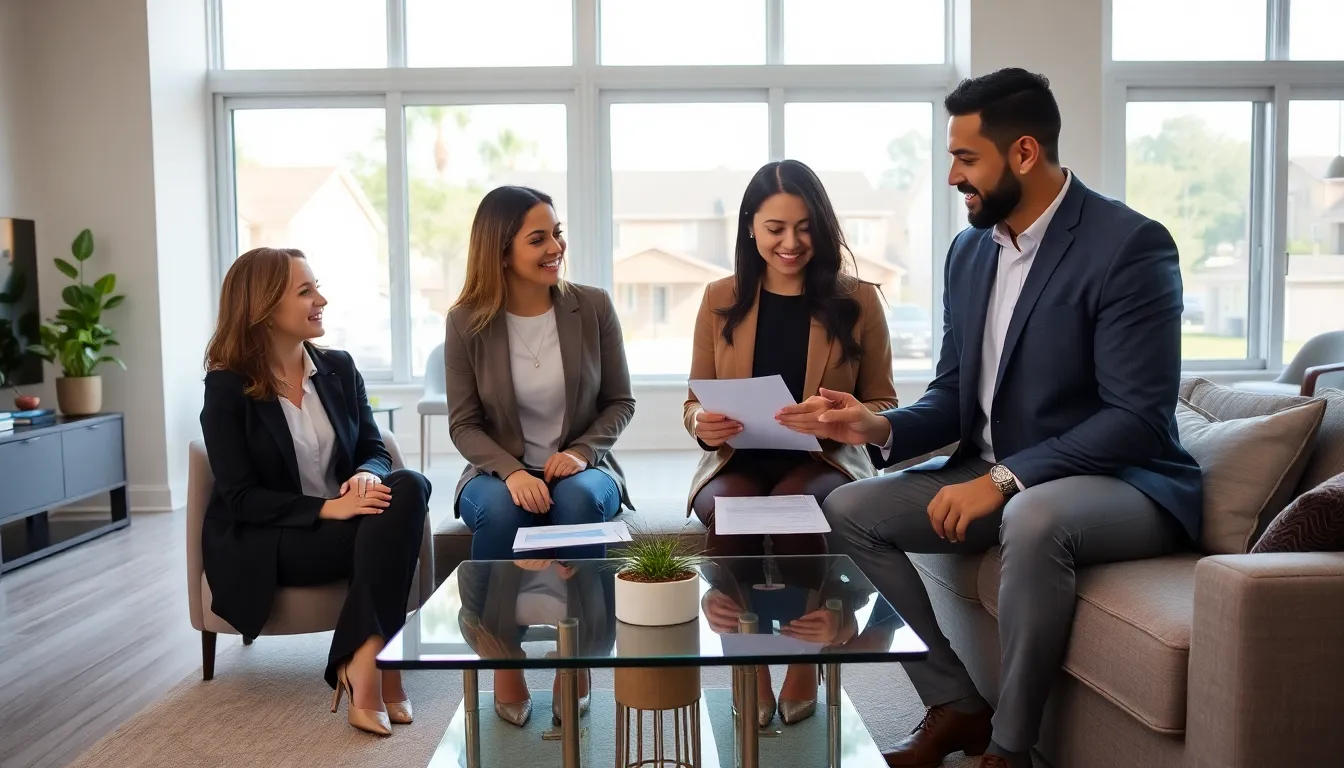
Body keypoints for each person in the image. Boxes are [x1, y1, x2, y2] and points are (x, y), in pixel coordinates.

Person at [795, 69, 1202, 768]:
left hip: (1126, 481)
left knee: (1033, 517)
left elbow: (1137, 417)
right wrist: (877, 427)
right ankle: (957, 703)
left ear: (1022, 154)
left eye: (965, 157)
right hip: (1001, 476)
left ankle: (1010, 752)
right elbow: (955, 395)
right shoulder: (968, 253)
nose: (953, 175)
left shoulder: (1129, 246)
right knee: (850, 504)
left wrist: (1008, 479)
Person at [683, 159, 898, 727]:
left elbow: (884, 404)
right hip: (739, 455)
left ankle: (807, 658)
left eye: (804, 227)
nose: (791, 242)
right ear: (751, 227)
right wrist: (700, 421)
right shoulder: (718, 297)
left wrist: (835, 415)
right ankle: (747, 666)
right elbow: (693, 401)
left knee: (802, 509)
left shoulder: (859, 300)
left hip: (822, 456)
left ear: (822, 228)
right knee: (732, 511)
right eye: (776, 228)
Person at [200, 247, 432, 737]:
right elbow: (239, 497)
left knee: (409, 484)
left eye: (316, 287)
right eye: (305, 291)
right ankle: (378, 671)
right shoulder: (226, 387)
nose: (320, 299)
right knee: (384, 532)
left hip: (349, 527)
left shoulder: (339, 368)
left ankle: (364, 662)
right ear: (262, 306)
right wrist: (329, 507)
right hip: (273, 540)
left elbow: (374, 445)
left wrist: (368, 474)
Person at [446, 185, 635, 564]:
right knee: (502, 511)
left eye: (556, 233)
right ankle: (490, 623)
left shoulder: (593, 306)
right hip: (497, 474)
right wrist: (513, 472)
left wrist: (582, 453)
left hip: (587, 471)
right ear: (500, 253)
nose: (556, 247)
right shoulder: (465, 321)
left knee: (577, 499)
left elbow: (619, 402)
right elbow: (464, 425)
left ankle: (587, 621)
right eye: (538, 239)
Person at [456, 559, 614, 727]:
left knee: (581, 555)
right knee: (499, 554)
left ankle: (575, 657)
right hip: (508, 572)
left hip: (572, 570)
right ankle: (507, 662)